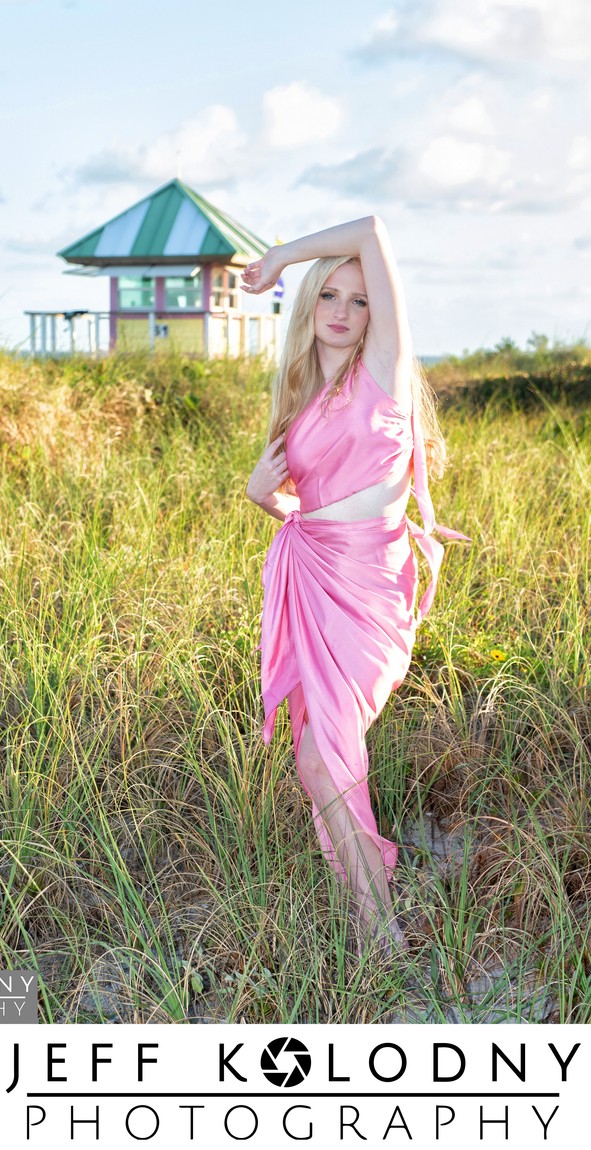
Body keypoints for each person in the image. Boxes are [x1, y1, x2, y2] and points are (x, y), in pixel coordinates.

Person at [241, 215, 470, 957]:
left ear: (378, 315)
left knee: (325, 752)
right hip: (311, 574)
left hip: (368, 586)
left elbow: (372, 229)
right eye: (328, 296)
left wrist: (281, 255)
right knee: (315, 757)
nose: (341, 312)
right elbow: (297, 503)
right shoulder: (302, 396)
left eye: (359, 299)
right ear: (308, 310)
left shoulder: (384, 373)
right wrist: (258, 496)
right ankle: (373, 916)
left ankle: (380, 932)